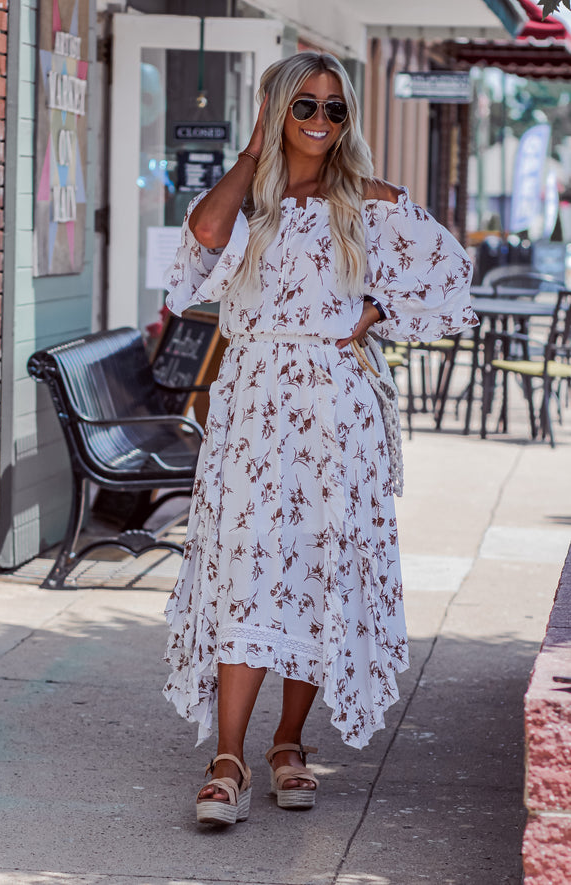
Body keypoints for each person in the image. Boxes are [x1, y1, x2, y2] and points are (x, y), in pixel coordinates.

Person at [163, 51, 477, 826]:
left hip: (337, 415)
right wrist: (250, 151)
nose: (321, 123)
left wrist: (373, 315)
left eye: (336, 110)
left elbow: (448, 278)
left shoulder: (372, 203)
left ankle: (288, 743)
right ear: (275, 110)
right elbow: (202, 237)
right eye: (305, 106)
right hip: (253, 409)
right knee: (247, 570)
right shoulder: (253, 205)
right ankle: (227, 756)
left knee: (314, 570)